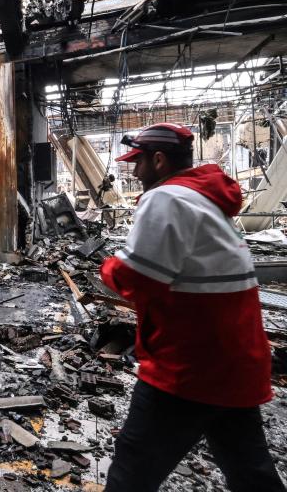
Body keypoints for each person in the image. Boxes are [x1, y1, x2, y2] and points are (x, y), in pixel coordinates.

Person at [100, 123, 284, 492]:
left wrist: (108, 266)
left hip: (189, 367)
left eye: (138, 163)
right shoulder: (207, 200)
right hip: (238, 362)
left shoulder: (167, 199)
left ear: (159, 160)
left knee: (132, 471)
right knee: (251, 475)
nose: (134, 173)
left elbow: (137, 279)